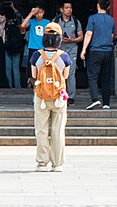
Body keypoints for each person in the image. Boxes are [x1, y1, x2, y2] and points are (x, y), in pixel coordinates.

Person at [30, 25, 72, 172]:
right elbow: (65, 77)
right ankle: (57, 163)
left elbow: (34, 75)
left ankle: (42, 162)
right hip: (59, 97)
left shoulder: (36, 55)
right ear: (59, 39)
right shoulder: (64, 56)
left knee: (41, 129)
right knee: (58, 130)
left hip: (41, 97)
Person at [80, 0, 116, 109]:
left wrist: (84, 49)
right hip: (108, 51)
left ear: (97, 5)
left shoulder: (93, 18)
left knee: (92, 76)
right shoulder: (111, 20)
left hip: (95, 50)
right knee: (106, 77)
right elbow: (112, 36)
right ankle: (106, 103)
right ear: (108, 7)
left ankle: (95, 99)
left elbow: (89, 34)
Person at [20, 5, 51, 90]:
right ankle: (35, 88)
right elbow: (22, 25)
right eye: (37, 13)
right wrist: (31, 13)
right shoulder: (31, 21)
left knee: (44, 69)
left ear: (43, 12)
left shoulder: (47, 22)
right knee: (32, 70)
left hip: (44, 49)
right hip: (33, 49)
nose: (38, 15)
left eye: (40, 13)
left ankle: (43, 88)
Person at [54, 1, 83, 71]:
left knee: (71, 72)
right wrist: (59, 39)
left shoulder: (76, 21)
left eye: (70, 8)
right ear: (61, 10)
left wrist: (72, 40)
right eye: (66, 8)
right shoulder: (56, 21)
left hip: (72, 49)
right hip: (59, 50)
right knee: (59, 72)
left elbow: (81, 37)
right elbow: (51, 36)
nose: (69, 10)